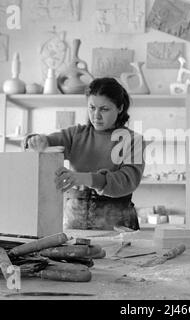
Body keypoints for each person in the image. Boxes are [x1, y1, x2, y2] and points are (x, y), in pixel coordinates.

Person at [24, 77, 145, 231]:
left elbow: (128, 181)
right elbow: (47, 141)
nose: (96, 115)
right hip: (74, 221)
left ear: (120, 108)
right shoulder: (76, 134)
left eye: (104, 109)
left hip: (118, 223)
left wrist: (84, 178)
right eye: (92, 107)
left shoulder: (134, 140)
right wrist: (36, 141)